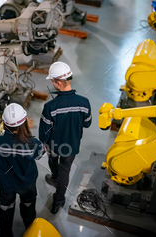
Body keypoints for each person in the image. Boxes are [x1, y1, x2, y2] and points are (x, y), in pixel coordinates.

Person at [39, 61, 92, 214]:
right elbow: (87, 124)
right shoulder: (84, 102)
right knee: (65, 172)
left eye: (52, 81)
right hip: (72, 146)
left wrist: (44, 143)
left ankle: (55, 178)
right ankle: (58, 201)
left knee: (53, 161)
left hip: (55, 146)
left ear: (58, 83)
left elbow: (45, 132)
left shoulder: (51, 107)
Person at [0, 103, 46, 237]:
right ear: (24, 122)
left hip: (6, 185)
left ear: (4, 124)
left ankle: (5, 234)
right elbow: (40, 154)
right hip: (27, 184)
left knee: (6, 208)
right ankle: (31, 231)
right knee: (28, 208)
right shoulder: (32, 143)